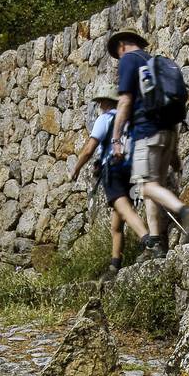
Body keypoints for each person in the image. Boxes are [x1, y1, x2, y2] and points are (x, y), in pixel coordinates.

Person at [106, 22, 189, 256]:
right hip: (167, 131)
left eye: (117, 55)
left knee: (146, 186)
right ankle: (157, 243)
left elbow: (125, 100)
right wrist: (175, 151)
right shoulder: (153, 62)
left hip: (146, 132)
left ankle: (184, 211)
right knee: (154, 187)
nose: (118, 59)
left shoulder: (129, 60)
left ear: (121, 46)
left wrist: (116, 138)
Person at [69, 78, 152, 278]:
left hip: (114, 169)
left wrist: (76, 168)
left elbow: (89, 148)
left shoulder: (105, 119)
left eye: (100, 103)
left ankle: (148, 241)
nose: (99, 106)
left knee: (124, 208)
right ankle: (115, 265)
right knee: (117, 223)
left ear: (106, 102)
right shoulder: (128, 120)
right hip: (132, 168)